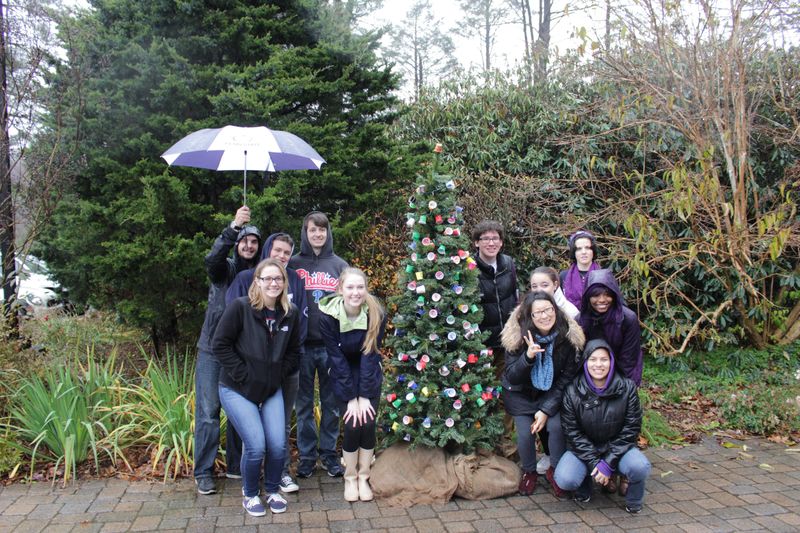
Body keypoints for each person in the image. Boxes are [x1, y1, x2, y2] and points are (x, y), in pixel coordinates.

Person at [213, 258, 302, 516]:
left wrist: (276, 376)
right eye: (268, 279)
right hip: (236, 388)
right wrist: (245, 375)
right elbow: (221, 345)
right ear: (258, 282)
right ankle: (251, 494)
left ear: (285, 283)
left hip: (271, 388)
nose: (273, 283)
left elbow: (295, 352)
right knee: (256, 445)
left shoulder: (291, 313)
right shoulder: (241, 308)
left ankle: (272, 490)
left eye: (278, 279)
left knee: (277, 444)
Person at [226, 232, 308, 494]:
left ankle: (277, 478)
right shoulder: (243, 287)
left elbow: (298, 334)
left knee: (278, 432)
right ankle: (249, 484)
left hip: (280, 373)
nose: (282, 256)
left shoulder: (293, 292)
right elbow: (228, 338)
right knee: (255, 439)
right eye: (278, 250)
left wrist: (278, 369)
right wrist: (245, 371)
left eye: (287, 252)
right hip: (245, 378)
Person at [194, 206, 261, 495]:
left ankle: (236, 466)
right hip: (212, 350)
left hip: (241, 353)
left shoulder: (261, 276)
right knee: (208, 412)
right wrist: (234, 226)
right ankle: (204, 472)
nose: (248, 245)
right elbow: (212, 258)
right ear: (237, 244)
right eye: (244, 240)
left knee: (239, 410)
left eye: (254, 241)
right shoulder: (224, 269)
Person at [500, 291, 585, 497]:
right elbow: (512, 377)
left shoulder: (567, 338)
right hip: (520, 394)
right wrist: (528, 358)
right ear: (530, 315)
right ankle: (529, 471)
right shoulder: (517, 337)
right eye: (538, 312)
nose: (544, 316)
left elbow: (567, 378)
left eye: (548, 310)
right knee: (525, 432)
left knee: (556, 427)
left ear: (555, 310)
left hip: (551, 393)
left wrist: (546, 410)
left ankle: (556, 469)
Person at [554, 339, 651, 514]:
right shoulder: (572, 391)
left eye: (604, 359)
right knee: (564, 478)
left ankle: (634, 500)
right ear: (585, 362)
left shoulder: (627, 388)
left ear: (612, 362)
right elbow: (573, 433)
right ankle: (584, 487)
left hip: (619, 449)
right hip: (584, 450)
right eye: (593, 359)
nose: (598, 364)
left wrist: (608, 462)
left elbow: (631, 429)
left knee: (639, 466)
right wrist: (595, 463)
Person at [289, 211, 348, 478]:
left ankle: (328, 455)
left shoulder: (339, 266)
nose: (317, 234)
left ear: (328, 233)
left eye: (322, 230)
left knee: (331, 404)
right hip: (300, 347)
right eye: (313, 230)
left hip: (330, 346)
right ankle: (307, 456)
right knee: (302, 406)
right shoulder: (291, 264)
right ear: (305, 232)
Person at [318, 267, 386, 502]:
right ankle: (349, 478)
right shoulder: (327, 315)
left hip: (368, 369)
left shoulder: (376, 312)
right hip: (341, 370)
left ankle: (363, 476)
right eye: (350, 287)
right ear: (340, 289)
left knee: (367, 422)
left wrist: (365, 395)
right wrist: (350, 397)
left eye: (360, 287)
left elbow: (370, 353)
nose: (356, 292)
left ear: (366, 289)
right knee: (353, 423)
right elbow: (336, 358)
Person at [527, 266, 579, 476]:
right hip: (538, 377)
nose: (540, 289)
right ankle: (549, 454)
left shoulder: (569, 311)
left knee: (557, 420)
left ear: (556, 284)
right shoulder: (528, 309)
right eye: (535, 286)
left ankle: (563, 458)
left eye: (545, 284)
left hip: (562, 379)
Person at [577, 269, 643, 386]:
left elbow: (629, 358)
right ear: (588, 297)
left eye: (607, 295)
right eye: (596, 295)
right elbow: (578, 356)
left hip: (622, 368)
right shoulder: (580, 320)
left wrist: (624, 387)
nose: (602, 300)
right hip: (592, 369)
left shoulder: (627, 318)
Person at [472, 220, 518, 374]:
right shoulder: (469, 268)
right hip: (482, 343)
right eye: (486, 239)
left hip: (508, 340)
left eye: (495, 238)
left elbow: (514, 295)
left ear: (501, 242)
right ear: (477, 243)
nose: (491, 243)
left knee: (505, 385)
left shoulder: (508, 263)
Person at [560, 230, 601, 309]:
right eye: (579, 249)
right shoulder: (563, 276)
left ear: (593, 251)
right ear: (574, 252)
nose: (584, 252)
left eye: (587, 248)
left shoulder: (603, 275)